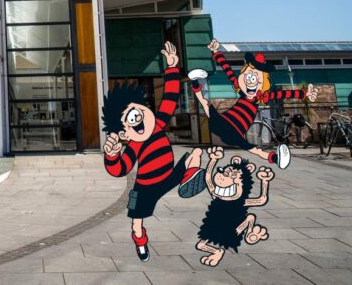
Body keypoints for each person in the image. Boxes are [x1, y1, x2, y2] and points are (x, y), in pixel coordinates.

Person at [102, 41, 206, 262]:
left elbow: (170, 95)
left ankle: (189, 178)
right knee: (136, 222)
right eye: (130, 121)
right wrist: (112, 156)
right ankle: (140, 242)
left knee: (195, 154)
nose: (138, 120)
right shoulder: (134, 146)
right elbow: (120, 169)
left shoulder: (158, 124)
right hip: (145, 187)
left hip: (168, 176)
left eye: (137, 112)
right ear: (125, 134)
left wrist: (171, 68)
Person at [188, 39, 317, 169]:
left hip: (234, 131)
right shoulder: (241, 90)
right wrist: (216, 52)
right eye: (248, 76)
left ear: (263, 83)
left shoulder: (261, 96)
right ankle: (194, 83)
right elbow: (227, 69)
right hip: (223, 123)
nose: (250, 81)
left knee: (253, 149)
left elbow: (283, 94)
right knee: (206, 105)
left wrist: (304, 94)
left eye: (255, 78)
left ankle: (276, 158)